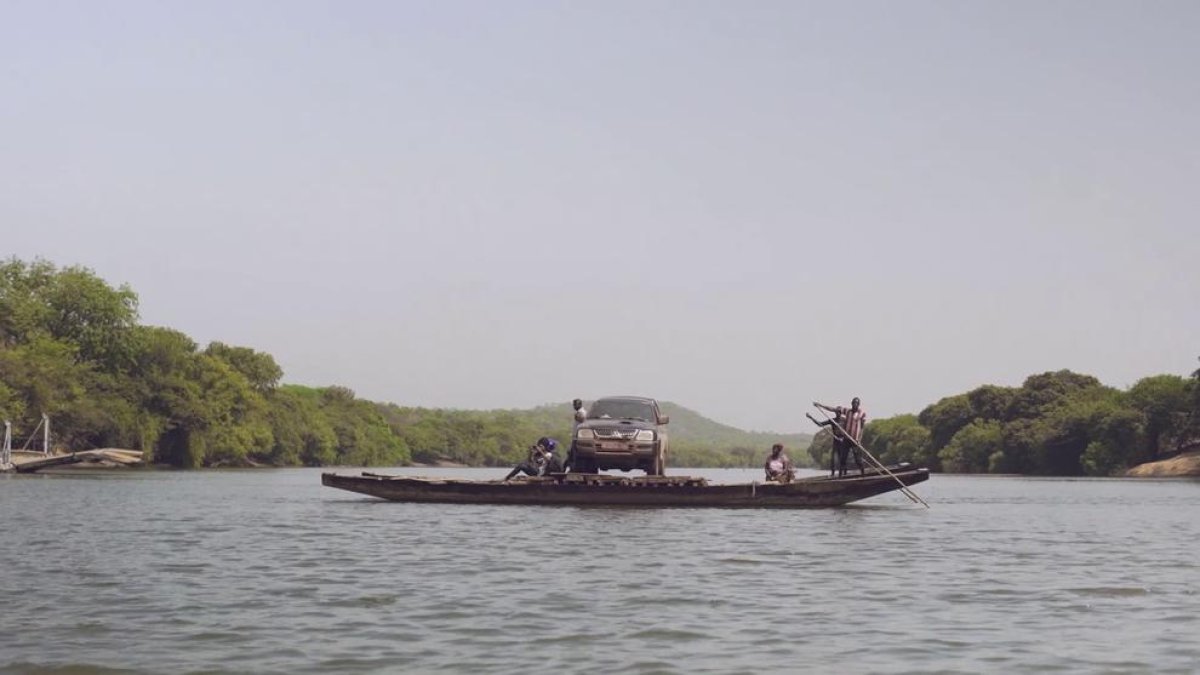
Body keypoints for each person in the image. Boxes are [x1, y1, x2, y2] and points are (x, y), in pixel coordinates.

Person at [812, 397, 867, 477]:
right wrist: (820, 405)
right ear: (851, 404)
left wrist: (859, 439)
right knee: (842, 459)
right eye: (853, 403)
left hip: (855, 440)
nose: (854, 405)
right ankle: (840, 476)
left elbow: (862, 427)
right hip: (846, 439)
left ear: (858, 405)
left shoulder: (861, 413)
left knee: (858, 459)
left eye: (856, 403)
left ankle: (863, 475)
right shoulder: (847, 411)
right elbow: (833, 409)